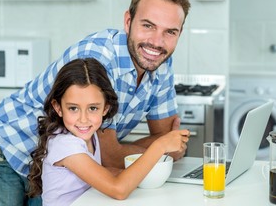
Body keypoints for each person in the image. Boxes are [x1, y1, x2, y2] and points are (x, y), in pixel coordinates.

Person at [0, 0, 191, 205]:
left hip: (59, 164)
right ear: (128, 21)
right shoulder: (97, 61)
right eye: (148, 26)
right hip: (11, 144)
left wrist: (147, 147)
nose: (157, 41)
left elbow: (170, 141)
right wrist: (158, 147)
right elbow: (111, 156)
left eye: (170, 32)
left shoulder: (159, 61)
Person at [27, 58, 189, 205]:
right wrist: (159, 146)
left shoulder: (91, 136)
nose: (83, 119)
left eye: (92, 108)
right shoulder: (65, 144)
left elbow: (104, 173)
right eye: (73, 108)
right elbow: (118, 190)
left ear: (105, 108)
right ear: (58, 108)